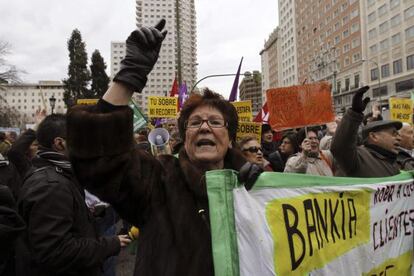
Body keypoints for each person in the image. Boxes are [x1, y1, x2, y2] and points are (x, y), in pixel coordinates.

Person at [66, 19, 255, 276]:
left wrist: (255, 186)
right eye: (194, 122)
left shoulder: (254, 187)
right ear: (185, 136)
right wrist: (130, 74)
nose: (204, 128)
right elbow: (101, 160)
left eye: (215, 122)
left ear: (230, 138)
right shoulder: (160, 181)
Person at [16, 114, 129, 276]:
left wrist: (87, 214)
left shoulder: (58, 175)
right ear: (59, 143)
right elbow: (56, 251)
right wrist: (110, 244)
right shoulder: (51, 186)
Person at [331, 86, 403, 177]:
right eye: (394, 133)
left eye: (399, 134)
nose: (399, 138)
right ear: (374, 136)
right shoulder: (357, 159)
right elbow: (339, 147)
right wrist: (354, 113)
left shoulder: (393, 161)